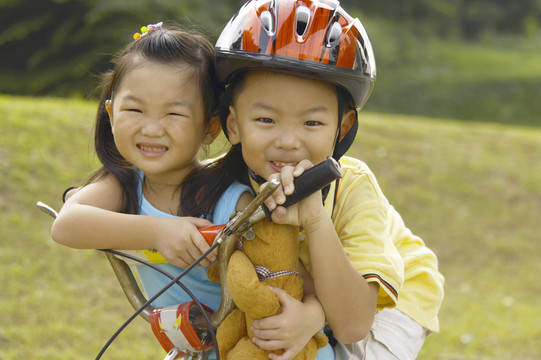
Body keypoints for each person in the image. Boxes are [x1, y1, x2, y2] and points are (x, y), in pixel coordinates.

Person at [208, 1, 445, 359]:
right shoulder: (222, 179)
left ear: (343, 127)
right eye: (266, 120)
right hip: (309, 289)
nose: (288, 141)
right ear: (233, 125)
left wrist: (316, 223)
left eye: (312, 123)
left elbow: (353, 323)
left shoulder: (351, 186)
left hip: (383, 302)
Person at [50, 22, 253, 312]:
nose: (152, 129)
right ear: (111, 113)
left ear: (210, 126)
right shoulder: (125, 185)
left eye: (173, 113)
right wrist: (159, 232)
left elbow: (284, 271)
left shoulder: (231, 200)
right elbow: (66, 224)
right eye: (134, 110)